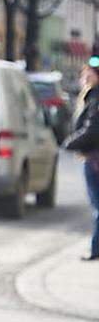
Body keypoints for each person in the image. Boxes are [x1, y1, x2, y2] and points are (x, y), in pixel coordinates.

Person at [63, 62, 99, 262]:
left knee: (97, 207)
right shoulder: (92, 95)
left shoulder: (95, 96)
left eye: (90, 73)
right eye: (84, 72)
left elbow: (93, 129)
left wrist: (70, 143)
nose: (85, 76)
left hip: (94, 159)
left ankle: (95, 249)